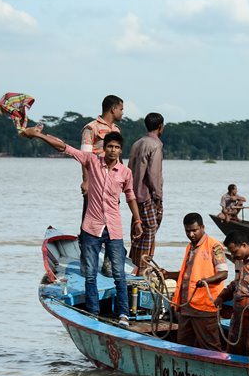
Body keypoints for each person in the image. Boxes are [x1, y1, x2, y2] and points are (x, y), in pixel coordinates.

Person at [19, 125, 142, 325]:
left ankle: (123, 314)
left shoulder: (125, 173)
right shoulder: (92, 161)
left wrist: (137, 220)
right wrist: (38, 135)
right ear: (104, 149)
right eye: (109, 146)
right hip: (91, 228)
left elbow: (130, 196)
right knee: (91, 274)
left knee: (119, 275)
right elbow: (64, 148)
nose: (112, 150)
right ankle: (93, 313)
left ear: (121, 150)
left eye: (116, 147)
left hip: (114, 229)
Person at [161, 213, 228, 351]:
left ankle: (214, 369)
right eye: (187, 231)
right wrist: (168, 274)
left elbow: (223, 273)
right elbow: (188, 274)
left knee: (210, 345)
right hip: (186, 306)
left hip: (204, 306)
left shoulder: (214, 246)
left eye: (194, 230)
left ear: (202, 228)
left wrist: (206, 281)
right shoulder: (190, 247)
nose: (191, 234)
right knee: (184, 343)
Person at [79, 95, 124, 274]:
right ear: (113, 109)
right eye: (121, 109)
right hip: (95, 183)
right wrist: (86, 181)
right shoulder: (91, 128)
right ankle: (87, 263)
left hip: (113, 184)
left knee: (112, 222)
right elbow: (85, 158)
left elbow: (117, 159)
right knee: (89, 221)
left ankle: (108, 263)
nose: (122, 112)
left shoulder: (116, 130)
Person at [128, 112, 165, 274]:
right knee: (149, 233)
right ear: (160, 126)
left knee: (137, 233)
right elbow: (154, 174)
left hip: (134, 197)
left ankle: (133, 268)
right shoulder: (155, 145)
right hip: (148, 196)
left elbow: (128, 169)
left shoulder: (137, 143)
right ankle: (143, 271)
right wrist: (158, 197)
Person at [218, 231, 249, 355]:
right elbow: (237, 282)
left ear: (244, 245)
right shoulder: (239, 259)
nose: (233, 255)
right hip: (238, 313)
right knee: (234, 349)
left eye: (235, 251)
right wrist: (222, 295)